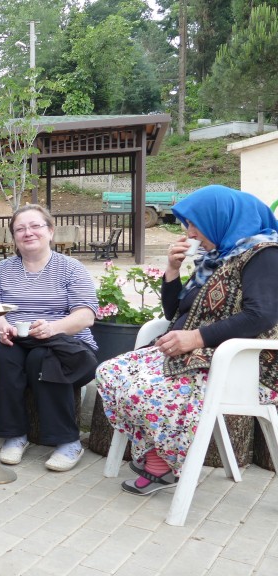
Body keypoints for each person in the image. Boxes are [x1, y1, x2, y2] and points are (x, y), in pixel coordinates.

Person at [97, 185, 278, 495]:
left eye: (195, 224)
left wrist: (196, 337)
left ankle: (162, 463)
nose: (190, 233)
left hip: (238, 362)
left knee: (147, 389)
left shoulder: (264, 254)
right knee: (110, 372)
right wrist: (172, 270)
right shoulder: (216, 257)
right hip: (190, 351)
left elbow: (261, 315)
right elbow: (173, 311)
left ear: (220, 218)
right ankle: (157, 449)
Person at [0, 204, 99, 472]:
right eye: (20, 229)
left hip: (66, 344)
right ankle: (14, 435)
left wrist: (53, 328)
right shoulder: (2, 270)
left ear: (50, 231)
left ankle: (69, 441)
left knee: (43, 357)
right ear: (14, 237)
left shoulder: (71, 267)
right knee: (0, 354)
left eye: (35, 226)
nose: (28, 233)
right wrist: (3, 329)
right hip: (18, 340)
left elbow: (85, 315)